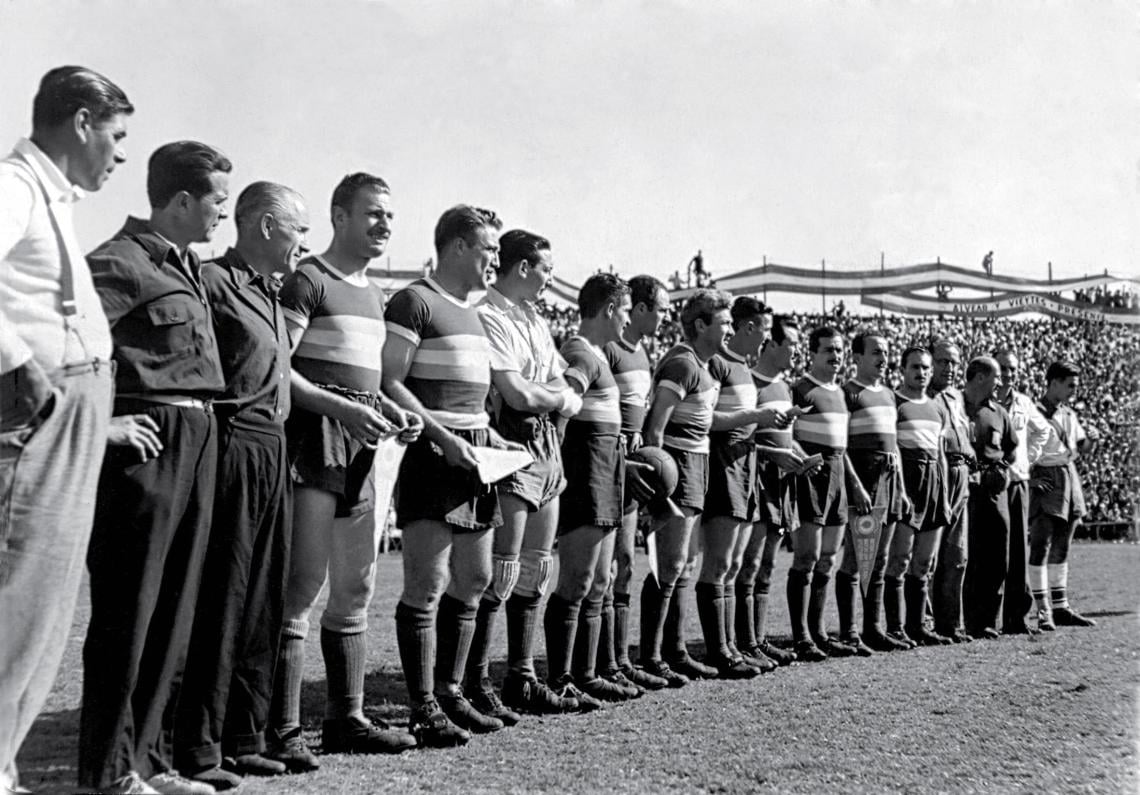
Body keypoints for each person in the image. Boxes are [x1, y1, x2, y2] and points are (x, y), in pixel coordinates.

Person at [81, 141, 231, 795]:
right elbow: (62, 354)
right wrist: (99, 425)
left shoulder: (187, 266)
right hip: (146, 442)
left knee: (176, 608)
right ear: (181, 201)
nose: (222, 213)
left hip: (198, 434)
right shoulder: (116, 264)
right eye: (218, 201)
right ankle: (109, 772)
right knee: (129, 610)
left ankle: (148, 760)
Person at [0, 65, 132, 795]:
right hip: (35, 412)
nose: (117, 154)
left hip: (76, 406)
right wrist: (19, 365)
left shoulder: (54, 197)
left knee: (47, 609)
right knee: (17, 597)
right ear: (81, 122)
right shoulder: (15, 186)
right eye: (114, 136)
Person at [268, 173, 421, 767]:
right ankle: (281, 729)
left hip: (361, 446)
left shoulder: (372, 293)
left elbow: (370, 382)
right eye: (374, 214)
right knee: (303, 584)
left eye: (390, 215)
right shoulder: (308, 279)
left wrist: (389, 413)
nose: (385, 224)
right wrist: (341, 407)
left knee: (357, 585)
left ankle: (346, 718)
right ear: (339, 215)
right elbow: (279, 369)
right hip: (313, 442)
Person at [172, 182, 309, 790]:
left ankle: (247, 736)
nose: (303, 242)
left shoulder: (271, 294)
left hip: (275, 445)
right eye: (298, 229)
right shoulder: (213, 282)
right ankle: (199, 747)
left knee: (264, 597)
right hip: (230, 442)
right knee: (224, 595)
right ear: (267, 227)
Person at [384, 205, 520, 747]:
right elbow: (389, 380)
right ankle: (421, 707)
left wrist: (492, 438)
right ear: (459, 247)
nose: (495, 259)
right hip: (433, 457)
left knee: (476, 579)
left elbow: (474, 398)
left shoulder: (475, 312)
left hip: (477, 456)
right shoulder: (414, 301)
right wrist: (446, 439)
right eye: (489, 249)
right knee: (427, 582)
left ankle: (451, 692)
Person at [466, 229, 583, 718]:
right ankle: (477, 680)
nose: (549, 280)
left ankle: (522, 676)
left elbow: (556, 385)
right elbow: (517, 394)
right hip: (510, 440)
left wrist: (550, 395)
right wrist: (553, 395)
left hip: (546, 444)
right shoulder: (486, 315)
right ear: (521, 268)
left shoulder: (534, 318)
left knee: (538, 564)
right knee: (504, 567)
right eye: (545, 270)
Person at [547, 272, 648, 708]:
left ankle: (587, 674)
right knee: (578, 578)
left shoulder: (599, 355)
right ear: (609, 309)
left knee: (600, 579)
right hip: (586, 473)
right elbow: (561, 407)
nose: (627, 320)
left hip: (607, 471)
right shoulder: (581, 353)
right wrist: (554, 458)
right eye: (625, 310)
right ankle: (562, 677)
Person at [639, 289, 733, 685]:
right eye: (724, 322)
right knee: (669, 564)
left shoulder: (707, 366)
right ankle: (651, 657)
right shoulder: (681, 363)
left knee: (684, 566)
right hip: (675, 468)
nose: (728, 329)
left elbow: (704, 423)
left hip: (697, 465)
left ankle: (674, 652)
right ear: (701, 325)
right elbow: (655, 428)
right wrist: (655, 489)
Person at [697, 296, 787, 677]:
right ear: (750, 327)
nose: (766, 339)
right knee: (719, 562)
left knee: (735, 564)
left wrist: (771, 443)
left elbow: (745, 423)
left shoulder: (744, 368)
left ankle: (734, 644)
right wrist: (757, 415)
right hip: (723, 465)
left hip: (746, 465)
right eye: (765, 330)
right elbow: (705, 417)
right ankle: (719, 650)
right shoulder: (717, 363)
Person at [600, 275, 672, 691]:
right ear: (640, 308)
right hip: (608, 467)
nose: (665, 317)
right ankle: (602, 662)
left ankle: (620, 660)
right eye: (660, 309)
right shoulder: (608, 348)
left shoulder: (642, 353)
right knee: (608, 567)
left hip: (634, 472)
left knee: (625, 565)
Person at [736, 315, 805, 667]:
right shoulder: (751, 382)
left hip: (782, 485)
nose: (797, 349)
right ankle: (744, 642)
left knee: (768, 565)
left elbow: (785, 440)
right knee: (748, 564)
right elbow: (739, 441)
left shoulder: (784, 387)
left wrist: (802, 458)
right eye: (791, 343)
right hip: (757, 481)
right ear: (772, 345)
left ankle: (758, 640)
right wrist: (774, 454)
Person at [835, 331, 910, 655]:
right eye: (876, 351)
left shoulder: (890, 395)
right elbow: (839, 447)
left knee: (878, 560)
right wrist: (854, 485)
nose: (883, 358)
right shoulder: (848, 393)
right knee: (855, 559)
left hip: (889, 485)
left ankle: (873, 628)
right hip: (863, 483)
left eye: (886, 351)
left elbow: (894, 448)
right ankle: (849, 632)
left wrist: (902, 490)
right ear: (857, 357)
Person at [786, 326, 854, 661]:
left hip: (837, 476)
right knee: (807, 557)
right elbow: (785, 433)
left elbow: (844, 447)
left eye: (839, 350)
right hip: (811, 474)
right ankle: (801, 637)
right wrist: (802, 457)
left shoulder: (840, 394)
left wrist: (852, 483)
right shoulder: (799, 389)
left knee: (829, 557)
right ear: (813, 352)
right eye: (828, 349)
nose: (835, 355)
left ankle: (819, 632)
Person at [884, 347, 952, 647]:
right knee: (899, 558)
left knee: (924, 562)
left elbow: (941, 454)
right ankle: (895, 627)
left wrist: (946, 495)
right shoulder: (894, 402)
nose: (921, 373)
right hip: (907, 480)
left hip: (934, 482)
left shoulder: (937, 407)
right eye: (915, 367)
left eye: (925, 368)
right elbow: (892, 451)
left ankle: (918, 626)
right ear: (903, 369)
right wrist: (899, 490)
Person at [1028, 361, 1099, 630]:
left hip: (1069, 477)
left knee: (1063, 545)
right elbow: (1019, 451)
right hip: (1046, 476)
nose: (1073, 391)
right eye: (1070, 385)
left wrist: (1091, 440)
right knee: (1041, 545)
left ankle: (1061, 607)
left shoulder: (1069, 414)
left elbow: (1080, 449)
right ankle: (1043, 609)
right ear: (1053, 382)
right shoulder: (1034, 412)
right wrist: (1032, 479)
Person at [961, 356, 1017, 640]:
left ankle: (986, 620)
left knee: (995, 555)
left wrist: (1001, 470)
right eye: (997, 376)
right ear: (981, 377)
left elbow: (1011, 449)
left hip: (994, 492)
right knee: (962, 556)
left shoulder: (999, 412)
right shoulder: (954, 405)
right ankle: (960, 620)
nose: (1001, 381)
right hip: (962, 490)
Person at [994, 349, 1049, 636]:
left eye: (1012, 369)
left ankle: (1016, 618)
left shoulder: (1023, 403)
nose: (1007, 374)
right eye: (1003, 368)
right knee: (991, 552)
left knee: (1017, 551)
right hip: (988, 484)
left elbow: (1043, 431)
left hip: (1016, 482)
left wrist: (1027, 457)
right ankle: (986, 619)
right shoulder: (982, 401)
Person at [927, 339, 974, 644]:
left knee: (957, 555)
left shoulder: (956, 396)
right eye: (942, 361)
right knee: (929, 556)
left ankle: (951, 624)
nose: (949, 368)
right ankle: (925, 622)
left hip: (962, 473)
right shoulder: (923, 396)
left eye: (954, 362)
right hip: (937, 472)